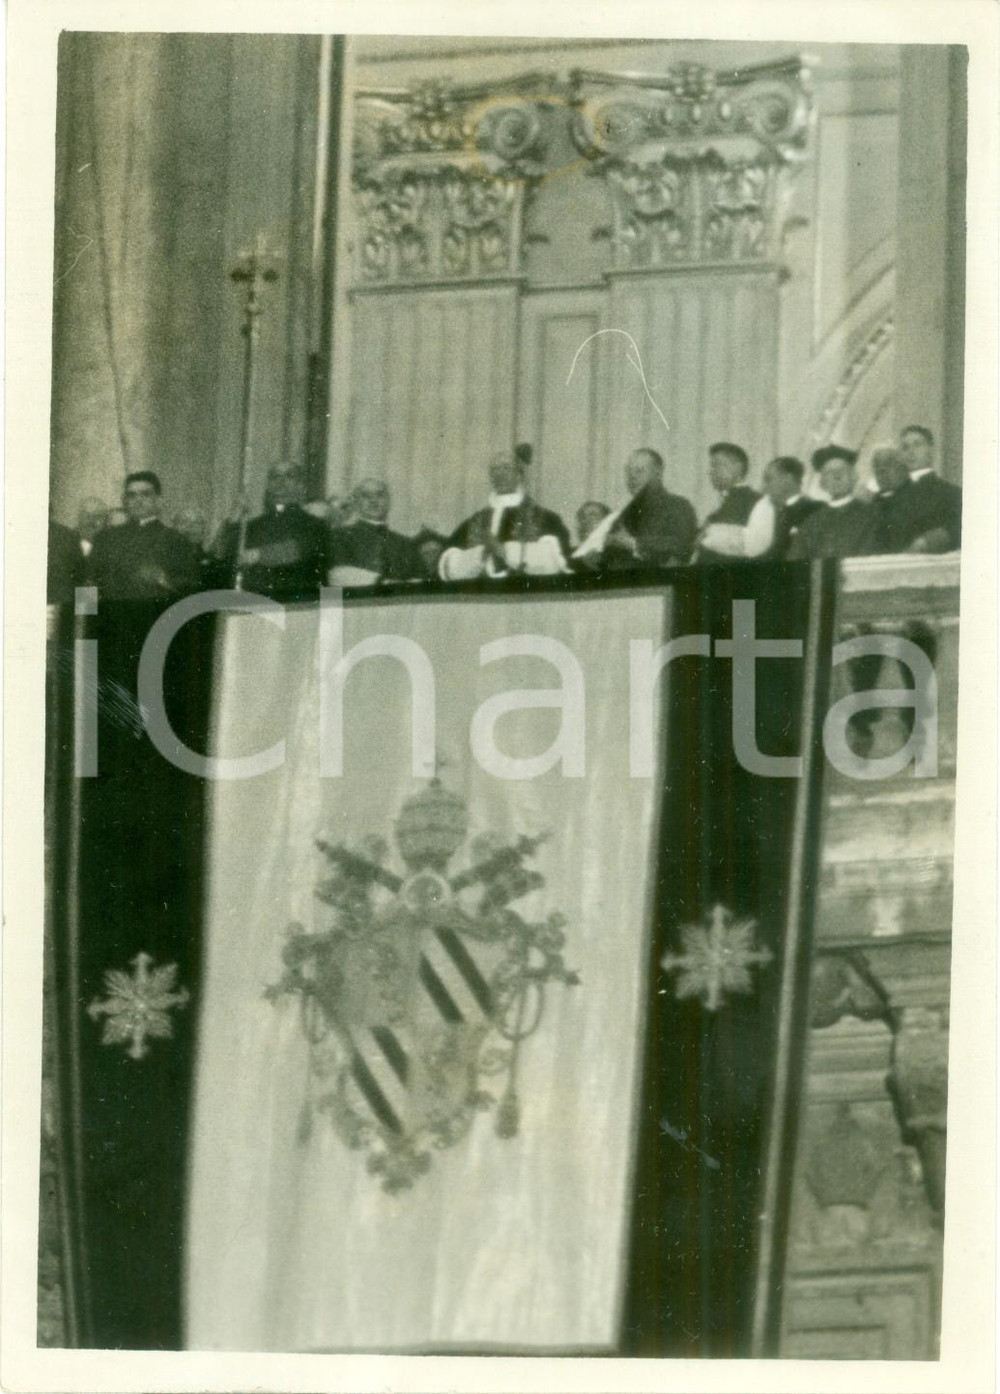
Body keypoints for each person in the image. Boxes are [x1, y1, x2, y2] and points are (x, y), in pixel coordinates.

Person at [439, 453, 571, 579]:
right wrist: (479, 556)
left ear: (519, 475)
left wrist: (505, 552)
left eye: (506, 467)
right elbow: (447, 564)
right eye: (495, 469)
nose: (499, 474)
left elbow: (556, 561)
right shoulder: (474, 522)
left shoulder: (545, 518)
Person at [213, 461, 331, 598]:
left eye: (289, 476)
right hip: (254, 603)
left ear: (301, 486)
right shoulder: (254, 525)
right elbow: (218, 553)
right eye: (275, 476)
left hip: (296, 603)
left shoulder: (315, 524)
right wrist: (234, 515)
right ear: (268, 486)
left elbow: (298, 549)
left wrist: (259, 555)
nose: (281, 481)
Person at [575, 449, 698, 570]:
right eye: (628, 472)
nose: (632, 477)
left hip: (659, 585)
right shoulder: (622, 515)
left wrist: (632, 543)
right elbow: (610, 562)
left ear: (658, 473)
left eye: (639, 471)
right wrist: (594, 557)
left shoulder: (678, 506)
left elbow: (682, 547)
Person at [88, 471, 200, 600]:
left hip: (156, 617)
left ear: (158, 499)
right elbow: (89, 583)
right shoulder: (105, 538)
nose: (138, 500)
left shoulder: (176, 540)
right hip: (111, 617)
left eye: (145, 494)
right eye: (132, 495)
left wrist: (162, 579)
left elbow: (191, 587)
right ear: (125, 501)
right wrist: (82, 618)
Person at [787, 446, 877, 560]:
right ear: (822, 483)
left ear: (854, 476)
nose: (836, 476)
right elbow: (796, 561)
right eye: (829, 472)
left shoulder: (873, 515)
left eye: (842, 470)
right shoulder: (811, 523)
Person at [329, 478, 419, 585]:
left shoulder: (405, 543)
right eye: (365, 496)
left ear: (389, 501)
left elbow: (421, 583)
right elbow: (334, 578)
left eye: (380, 495)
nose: (373, 501)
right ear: (356, 502)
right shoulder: (339, 536)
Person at [893, 425, 962, 551]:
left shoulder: (951, 493)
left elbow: (960, 530)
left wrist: (931, 540)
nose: (911, 451)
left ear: (931, 450)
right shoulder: (893, 497)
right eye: (905, 447)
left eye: (917, 444)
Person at [742, 456, 824, 560]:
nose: (764, 486)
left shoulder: (816, 510)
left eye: (768, 479)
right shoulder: (769, 510)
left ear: (787, 479)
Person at [695, 442, 761, 562]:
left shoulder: (753, 501)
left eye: (716, 465)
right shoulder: (722, 501)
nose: (710, 471)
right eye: (711, 466)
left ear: (737, 468)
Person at [47, 517, 85, 605]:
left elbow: (85, 578)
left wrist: (84, 615)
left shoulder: (67, 536)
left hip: (59, 609)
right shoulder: (68, 535)